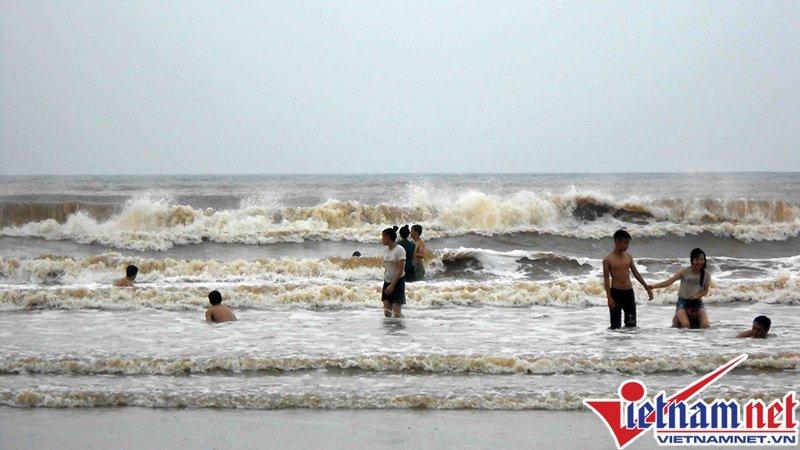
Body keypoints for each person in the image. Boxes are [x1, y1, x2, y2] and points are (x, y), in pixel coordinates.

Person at [602, 230, 652, 329]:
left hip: (629, 293)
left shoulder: (628, 257)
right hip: (616, 293)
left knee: (631, 325)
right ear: (617, 242)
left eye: (628, 243)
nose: (627, 246)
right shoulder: (608, 259)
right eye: (625, 243)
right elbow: (606, 279)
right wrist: (609, 298)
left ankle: (629, 340)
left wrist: (646, 287)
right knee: (615, 326)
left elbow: (636, 273)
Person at [650, 248, 711, 329]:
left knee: (705, 325)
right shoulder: (684, 271)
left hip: (697, 302)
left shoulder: (706, 274)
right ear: (692, 260)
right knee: (686, 325)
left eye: (702, 259)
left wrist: (696, 296)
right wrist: (653, 286)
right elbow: (669, 282)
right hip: (683, 302)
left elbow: (705, 291)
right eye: (697, 259)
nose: (700, 262)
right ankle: (678, 320)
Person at [380, 225, 406, 317]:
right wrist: (386, 281)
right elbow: (387, 267)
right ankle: (390, 327)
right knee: (387, 313)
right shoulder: (385, 251)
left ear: (387, 237)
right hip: (387, 281)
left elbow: (400, 270)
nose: (381, 239)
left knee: (396, 314)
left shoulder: (400, 250)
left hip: (398, 282)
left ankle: (401, 325)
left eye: (383, 237)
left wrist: (392, 285)